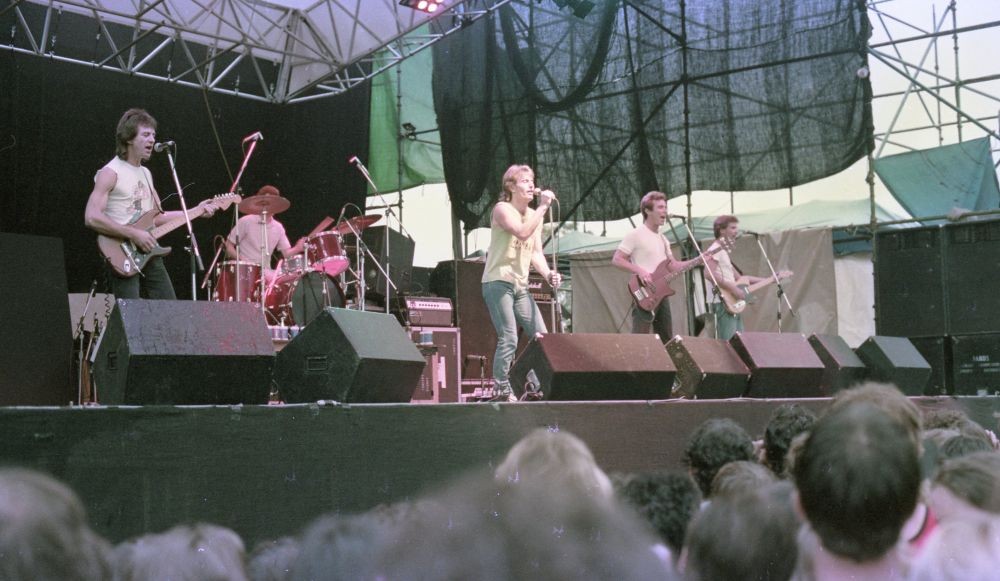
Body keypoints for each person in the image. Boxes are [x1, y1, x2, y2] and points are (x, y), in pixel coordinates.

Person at [84, 108, 220, 299]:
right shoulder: (111, 172)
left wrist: (196, 211)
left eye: (153, 135)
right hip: (121, 251)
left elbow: (157, 217)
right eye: (146, 135)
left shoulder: (146, 173)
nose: (152, 140)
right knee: (130, 313)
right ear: (129, 138)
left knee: (168, 305)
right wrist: (133, 234)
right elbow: (91, 217)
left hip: (148, 248)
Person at [481, 164, 561, 402]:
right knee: (509, 336)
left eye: (532, 180)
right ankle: (501, 387)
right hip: (498, 281)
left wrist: (548, 274)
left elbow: (535, 252)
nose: (531, 185)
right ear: (511, 186)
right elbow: (522, 233)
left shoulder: (532, 215)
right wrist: (544, 207)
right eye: (525, 180)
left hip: (520, 286)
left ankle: (536, 386)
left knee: (541, 335)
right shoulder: (502, 209)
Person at [612, 191, 698, 342]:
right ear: (647, 210)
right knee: (640, 339)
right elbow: (617, 259)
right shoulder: (636, 234)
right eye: (660, 207)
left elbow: (674, 266)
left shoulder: (663, 239)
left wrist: (699, 260)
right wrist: (639, 270)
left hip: (661, 294)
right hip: (644, 292)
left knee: (667, 340)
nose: (665, 211)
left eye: (665, 207)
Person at [704, 215, 767, 340]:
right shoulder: (715, 249)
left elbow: (741, 279)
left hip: (731, 302)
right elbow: (707, 273)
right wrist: (733, 289)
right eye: (732, 228)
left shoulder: (723, 251)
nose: (736, 231)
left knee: (739, 341)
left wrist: (769, 279)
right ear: (721, 230)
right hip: (721, 302)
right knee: (729, 344)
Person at [224, 185, 305, 283]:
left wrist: (299, 247)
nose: (269, 205)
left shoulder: (278, 227)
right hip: (247, 271)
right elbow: (228, 245)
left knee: (295, 275)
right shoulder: (246, 221)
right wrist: (243, 259)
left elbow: (286, 254)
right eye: (265, 202)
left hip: (267, 272)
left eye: (273, 202)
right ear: (258, 204)